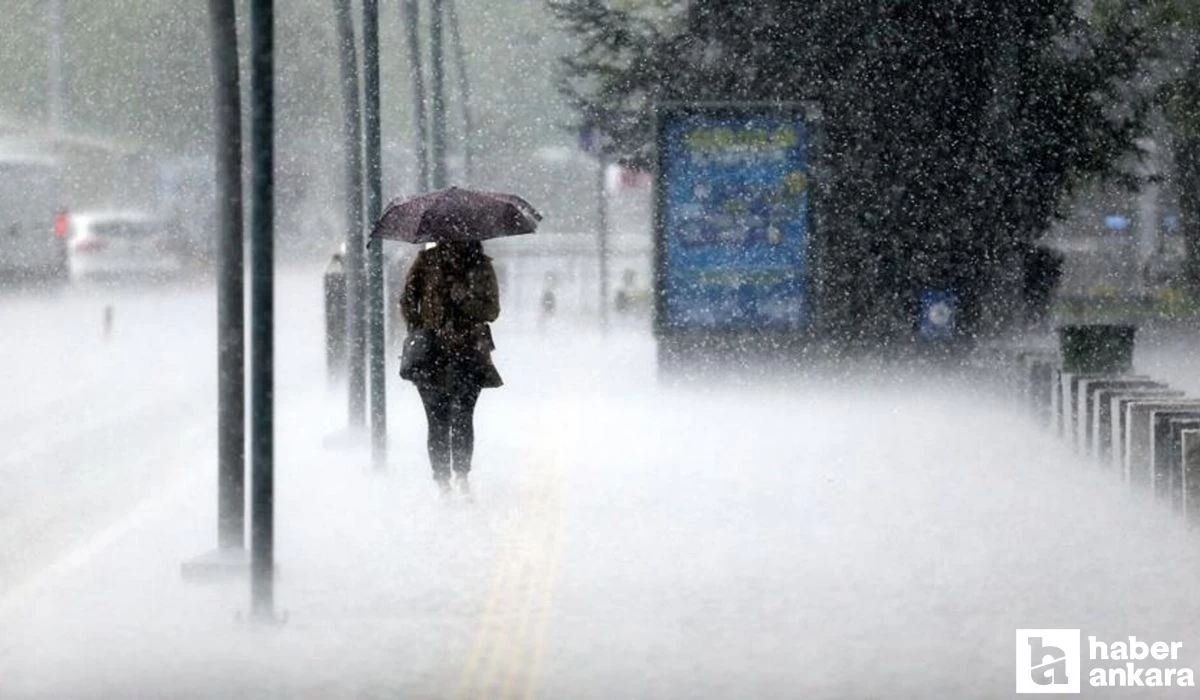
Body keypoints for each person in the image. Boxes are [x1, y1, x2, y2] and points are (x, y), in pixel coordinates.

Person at [400, 240, 502, 498]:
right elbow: (407, 300)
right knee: (437, 419)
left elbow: (491, 311)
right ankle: (442, 480)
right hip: (431, 354)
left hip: (468, 352)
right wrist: (420, 329)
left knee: (463, 416)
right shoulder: (426, 262)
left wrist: (465, 299)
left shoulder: (481, 265)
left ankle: (461, 475)